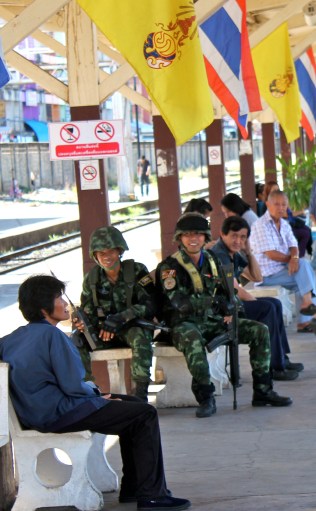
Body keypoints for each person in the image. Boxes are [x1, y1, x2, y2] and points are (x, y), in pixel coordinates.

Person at [0, 275, 190, 511]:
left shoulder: (12, 338)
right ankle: (152, 496)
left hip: (35, 412)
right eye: (59, 297)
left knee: (130, 404)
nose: (65, 302)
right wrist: (95, 395)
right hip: (59, 412)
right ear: (44, 308)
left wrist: (95, 395)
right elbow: (72, 385)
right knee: (144, 414)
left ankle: (136, 487)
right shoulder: (52, 335)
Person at [155, 212, 292, 419]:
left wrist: (231, 310)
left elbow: (229, 292)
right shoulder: (169, 268)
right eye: (188, 235)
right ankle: (206, 397)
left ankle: (263, 390)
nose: (194, 239)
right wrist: (215, 303)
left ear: (205, 237)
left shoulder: (212, 261)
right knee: (193, 340)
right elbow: (180, 303)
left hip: (213, 321)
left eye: (199, 235)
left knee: (259, 331)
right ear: (180, 238)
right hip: (185, 325)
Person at [211, 216, 304, 380]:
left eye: (243, 237)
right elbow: (235, 289)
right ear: (222, 234)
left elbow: (256, 276)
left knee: (275, 304)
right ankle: (275, 367)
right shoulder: (220, 254)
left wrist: (248, 251)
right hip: (222, 311)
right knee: (267, 308)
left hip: (232, 305)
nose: (238, 240)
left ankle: (282, 358)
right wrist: (255, 302)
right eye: (234, 235)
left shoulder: (233, 253)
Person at [78, 226, 156, 402]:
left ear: (119, 251)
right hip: (103, 333)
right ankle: (89, 392)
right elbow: (86, 309)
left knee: (140, 338)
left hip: (131, 328)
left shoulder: (136, 271)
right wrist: (82, 322)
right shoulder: (92, 279)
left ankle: (140, 395)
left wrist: (120, 318)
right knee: (77, 341)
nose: (106, 257)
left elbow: (150, 304)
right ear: (95, 255)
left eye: (111, 251)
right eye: (101, 253)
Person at [250, 190, 316, 333]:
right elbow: (271, 254)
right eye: (277, 204)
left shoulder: (284, 224)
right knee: (305, 270)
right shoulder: (260, 225)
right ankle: (307, 310)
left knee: (305, 276)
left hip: (282, 270)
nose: (281, 208)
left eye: (284, 205)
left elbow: (293, 245)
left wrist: (294, 257)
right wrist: (293, 259)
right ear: (267, 204)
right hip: (266, 275)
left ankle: (306, 311)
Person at [262, 181, 312, 258]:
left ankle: (306, 252)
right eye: (274, 191)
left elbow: (289, 212)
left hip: (288, 223)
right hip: (280, 228)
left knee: (307, 229)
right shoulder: (269, 203)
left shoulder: (280, 199)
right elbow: (285, 215)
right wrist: (300, 212)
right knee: (305, 233)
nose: (277, 192)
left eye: (278, 190)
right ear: (268, 192)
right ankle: (298, 257)